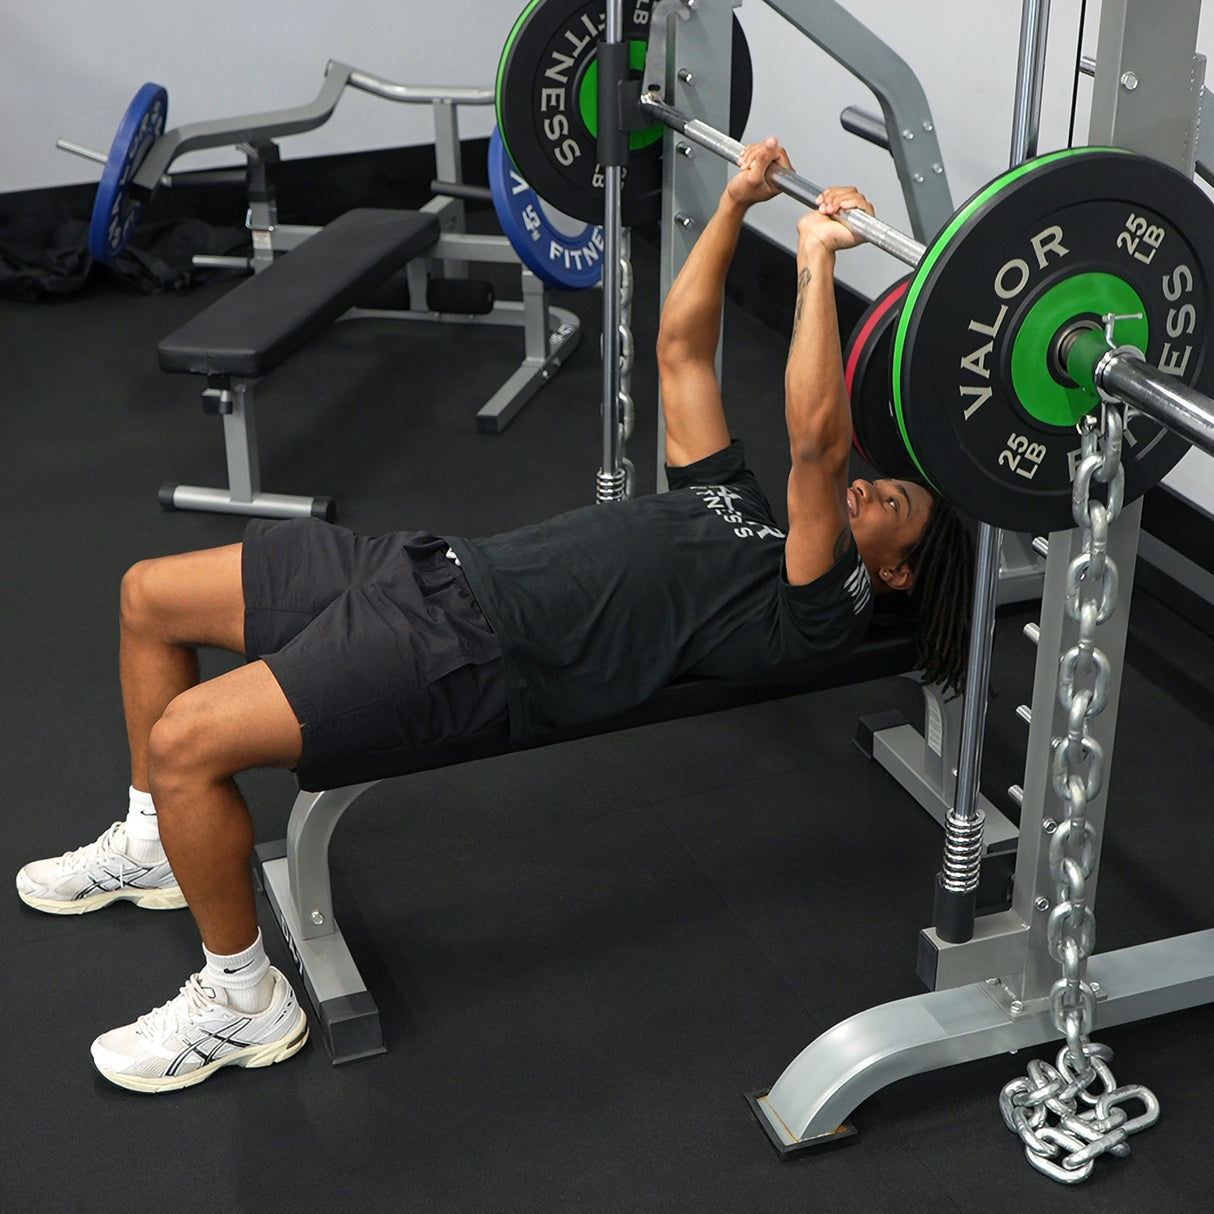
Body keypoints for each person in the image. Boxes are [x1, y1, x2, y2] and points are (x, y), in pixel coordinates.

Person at [15, 138, 974, 1092]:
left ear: (893, 576)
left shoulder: (810, 607)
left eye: (891, 505)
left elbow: (817, 442)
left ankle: (243, 1000)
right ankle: (155, 844)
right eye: (880, 482)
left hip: (468, 652)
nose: (867, 491)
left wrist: (811, 262)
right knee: (149, 594)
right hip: (426, 568)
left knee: (188, 740)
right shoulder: (743, 510)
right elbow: (682, 353)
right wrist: (733, 206)